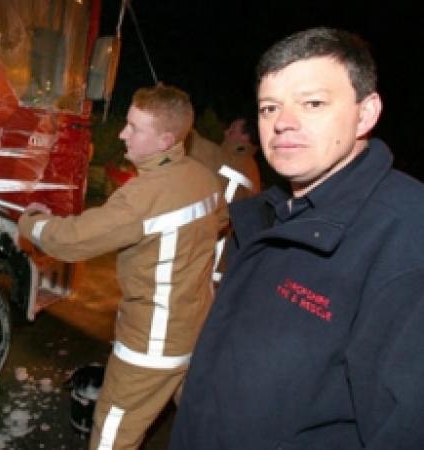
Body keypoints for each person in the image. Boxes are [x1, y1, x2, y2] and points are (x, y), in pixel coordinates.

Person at [170, 27, 424, 449]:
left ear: (366, 114)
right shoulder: (267, 215)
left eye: (313, 103)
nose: (283, 123)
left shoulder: (407, 237)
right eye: (269, 108)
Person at [17, 84, 227, 449]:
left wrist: (31, 222)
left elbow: (72, 240)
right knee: (198, 426)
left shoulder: (144, 196)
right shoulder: (203, 178)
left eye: (134, 128)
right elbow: (219, 223)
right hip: (197, 330)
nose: (121, 134)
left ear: (165, 141)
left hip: (152, 343)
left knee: (114, 431)